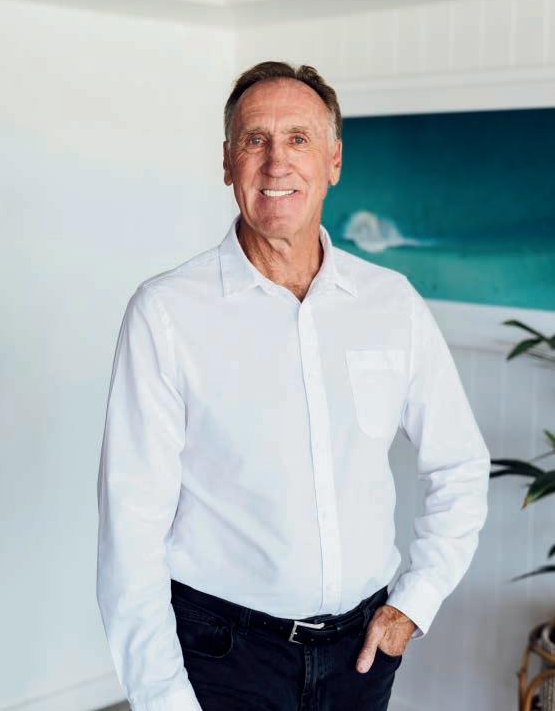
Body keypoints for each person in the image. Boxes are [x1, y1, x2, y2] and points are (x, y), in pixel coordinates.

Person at [96, 60, 491, 711]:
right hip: (223, 656)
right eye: (255, 139)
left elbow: (460, 465)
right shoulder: (165, 313)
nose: (276, 162)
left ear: (334, 161)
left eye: (299, 139)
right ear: (228, 163)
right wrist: (164, 698)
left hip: (361, 655)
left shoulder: (390, 302)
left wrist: (415, 602)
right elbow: (130, 532)